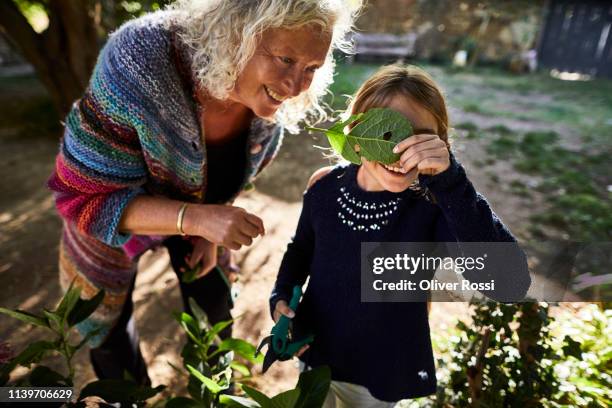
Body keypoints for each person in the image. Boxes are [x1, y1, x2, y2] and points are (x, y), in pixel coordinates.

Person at [47, 0, 362, 385]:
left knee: (215, 311)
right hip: (113, 219)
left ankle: (211, 393)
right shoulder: (139, 60)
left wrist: (206, 228)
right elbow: (84, 196)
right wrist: (195, 218)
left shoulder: (267, 110)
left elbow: (223, 181)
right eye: (285, 60)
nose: (296, 87)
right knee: (107, 331)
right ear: (235, 37)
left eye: (312, 68)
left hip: (202, 221)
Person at [269, 65, 531, 406]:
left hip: (382, 373)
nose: (401, 153)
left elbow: (509, 284)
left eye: (420, 138)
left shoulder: (435, 208)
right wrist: (280, 296)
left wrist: (451, 182)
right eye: (387, 134)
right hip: (317, 355)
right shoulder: (323, 186)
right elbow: (301, 249)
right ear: (357, 134)